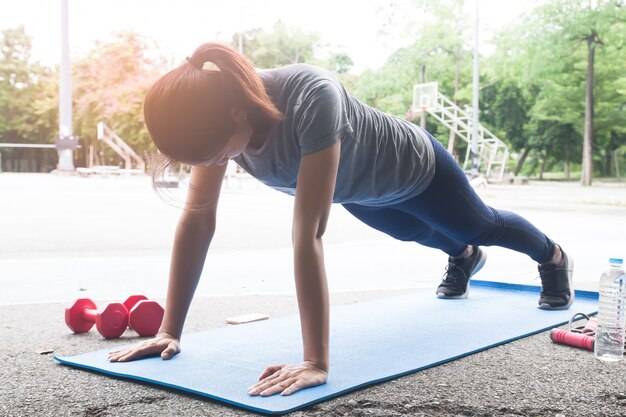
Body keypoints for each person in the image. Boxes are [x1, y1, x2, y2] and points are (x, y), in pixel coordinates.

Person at [107, 42, 574, 397]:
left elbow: (307, 233)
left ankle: (552, 258)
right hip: (359, 192)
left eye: (214, 154)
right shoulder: (219, 116)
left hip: (416, 169)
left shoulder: (312, 95)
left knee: (480, 225)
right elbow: (197, 218)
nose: (213, 164)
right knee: (415, 232)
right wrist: (170, 330)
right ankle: (465, 257)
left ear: (237, 113)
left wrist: (315, 362)